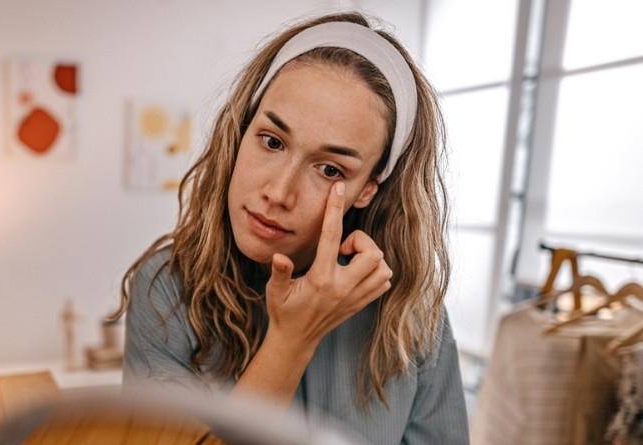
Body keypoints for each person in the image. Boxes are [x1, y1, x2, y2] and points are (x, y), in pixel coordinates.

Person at [111, 11, 469, 444]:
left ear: (367, 189)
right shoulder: (166, 290)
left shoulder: (410, 313)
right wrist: (291, 340)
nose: (279, 192)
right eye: (272, 141)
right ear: (241, 131)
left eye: (330, 169)